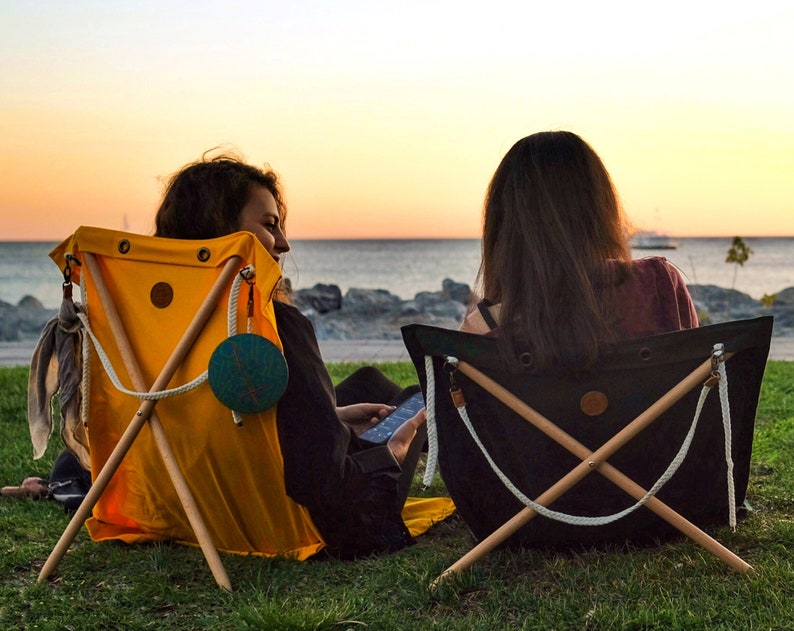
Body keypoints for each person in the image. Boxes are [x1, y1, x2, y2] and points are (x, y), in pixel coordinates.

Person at [153, 152, 429, 557]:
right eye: (269, 226)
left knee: (370, 381)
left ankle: (379, 426)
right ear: (222, 233)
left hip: (196, 503)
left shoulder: (158, 326)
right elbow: (326, 486)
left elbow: (215, 420)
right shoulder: (276, 326)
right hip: (301, 519)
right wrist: (393, 455)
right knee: (417, 401)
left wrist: (328, 421)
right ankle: (436, 441)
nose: (283, 243)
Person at [460, 131, 698, 370]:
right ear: (599, 211)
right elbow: (702, 386)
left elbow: (462, 406)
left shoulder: (481, 331)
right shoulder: (657, 285)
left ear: (503, 227)